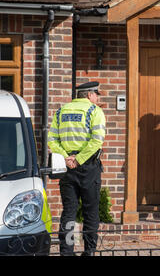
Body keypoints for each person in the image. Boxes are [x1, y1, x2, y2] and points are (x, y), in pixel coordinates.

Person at [48, 81, 106, 256]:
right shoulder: (95, 111)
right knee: (90, 212)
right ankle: (89, 252)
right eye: (96, 94)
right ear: (89, 95)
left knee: (69, 212)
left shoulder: (60, 112)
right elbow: (97, 140)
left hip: (67, 168)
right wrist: (79, 159)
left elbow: (52, 140)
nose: (97, 98)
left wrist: (67, 158)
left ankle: (66, 252)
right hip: (88, 167)